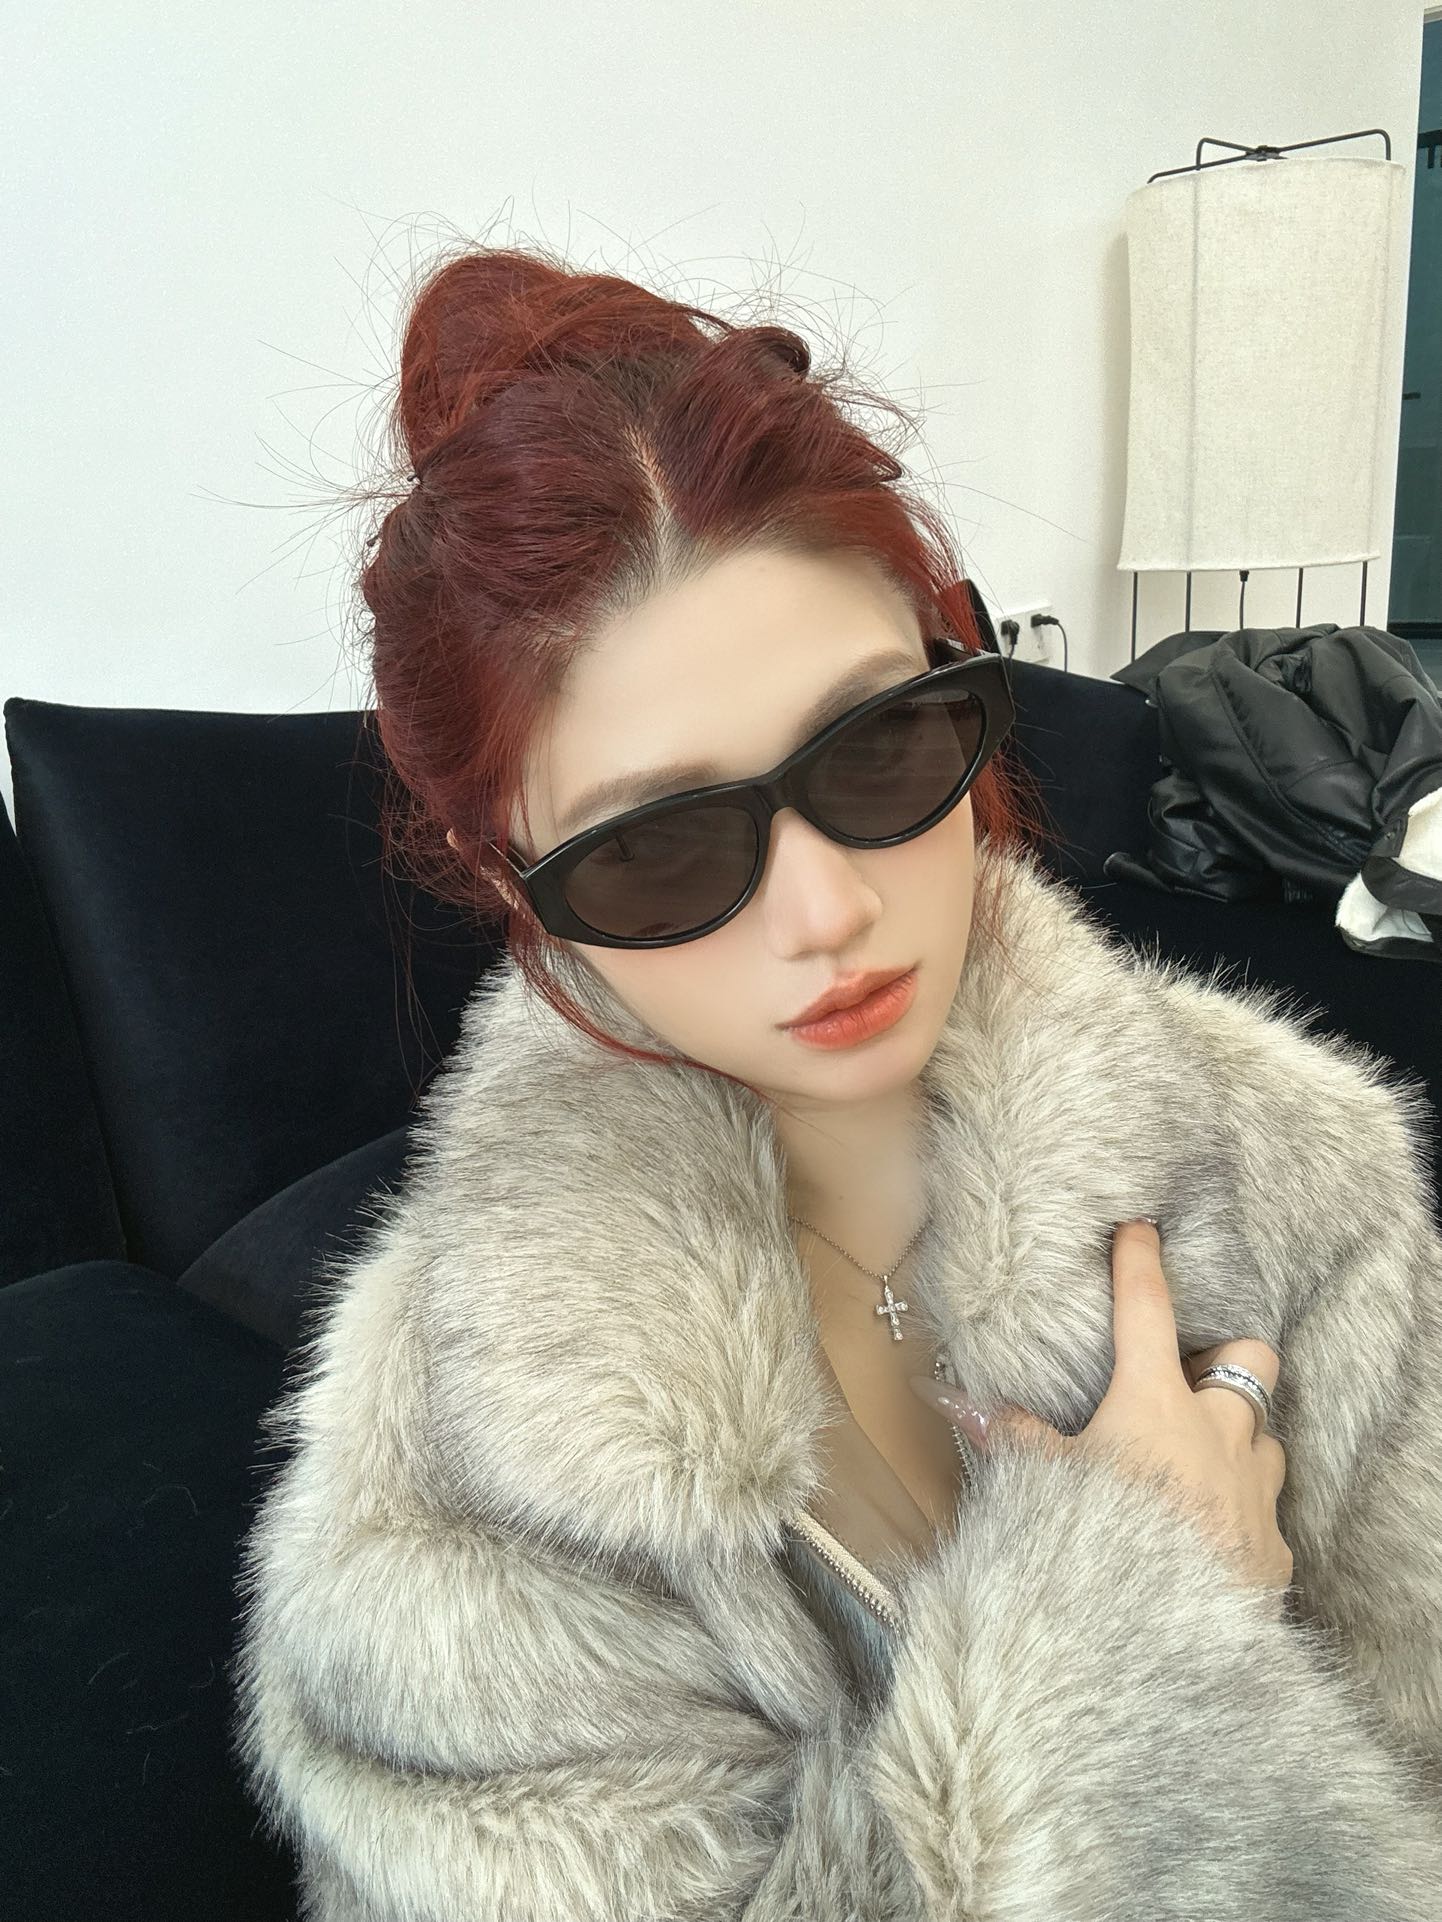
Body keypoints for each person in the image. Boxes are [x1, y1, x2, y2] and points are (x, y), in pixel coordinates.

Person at [231, 245, 1442, 1920]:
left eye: (878, 748)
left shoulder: (1304, 1170)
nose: (824, 912)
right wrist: (1142, 1601)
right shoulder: (444, 1489)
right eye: (659, 847)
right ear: (512, 879)